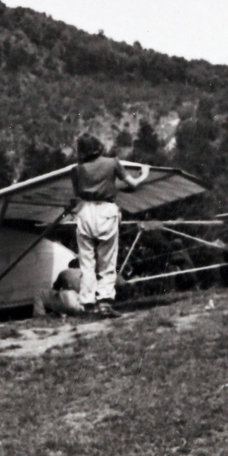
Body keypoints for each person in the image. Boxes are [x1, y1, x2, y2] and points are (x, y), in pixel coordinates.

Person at [70, 134, 149, 318]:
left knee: (87, 262)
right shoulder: (112, 162)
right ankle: (104, 303)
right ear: (98, 146)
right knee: (107, 259)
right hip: (106, 210)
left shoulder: (76, 170)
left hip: (85, 212)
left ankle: (87, 305)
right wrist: (144, 173)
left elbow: (79, 193)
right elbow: (133, 184)